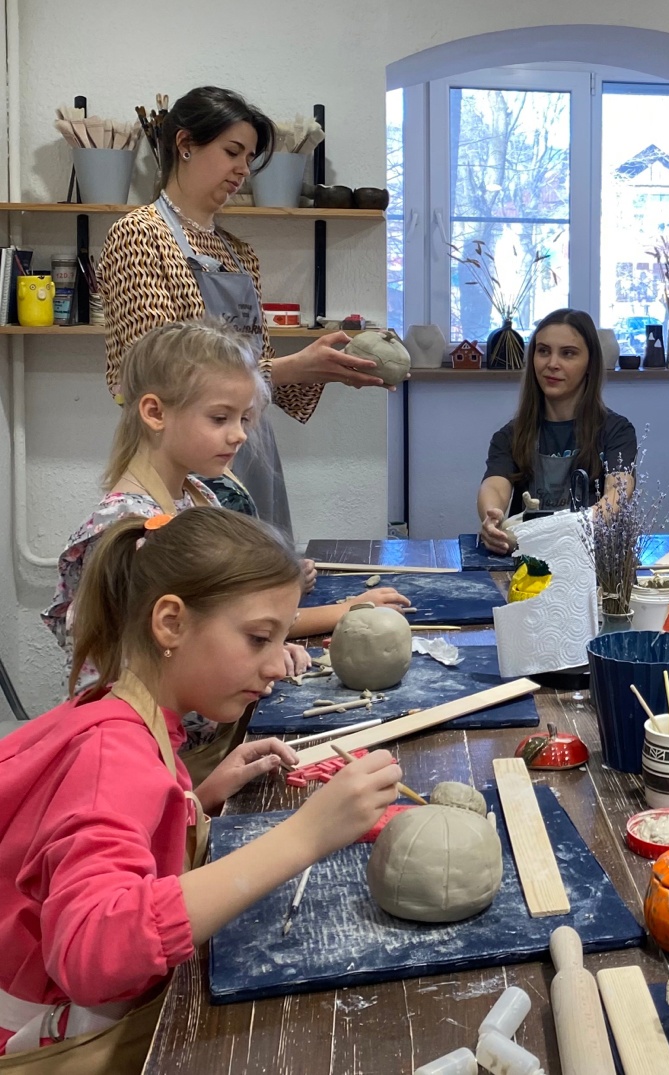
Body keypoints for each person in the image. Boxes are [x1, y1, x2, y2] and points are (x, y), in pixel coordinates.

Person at [0, 508, 404, 1070]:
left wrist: (198, 798)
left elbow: (127, 822)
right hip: (56, 1044)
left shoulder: (129, 710)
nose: (277, 666)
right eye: (258, 638)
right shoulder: (111, 755)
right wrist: (305, 836)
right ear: (171, 623)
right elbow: (93, 951)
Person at [41, 322, 407, 780]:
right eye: (220, 419)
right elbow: (118, 680)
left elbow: (219, 619)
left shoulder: (199, 495)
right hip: (146, 766)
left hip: (200, 755)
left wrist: (265, 649)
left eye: (244, 419)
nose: (238, 435)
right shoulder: (124, 529)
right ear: (154, 412)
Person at [98, 85, 386, 541]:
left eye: (249, 158)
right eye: (232, 152)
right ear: (185, 144)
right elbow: (157, 375)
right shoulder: (139, 236)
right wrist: (293, 366)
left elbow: (265, 375)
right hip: (176, 456)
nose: (243, 170)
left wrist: (327, 366)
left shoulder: (238, 253)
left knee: (257, 572)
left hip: (247, 445)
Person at [477, 309, 637, 553]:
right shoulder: (509, 436)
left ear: (590, 363)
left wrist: (568, 530)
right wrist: (492, 517)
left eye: (568, 353)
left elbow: (619, 491)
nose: (552, 364)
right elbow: (495, 486)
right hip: (528, 563)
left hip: (592, 559)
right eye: (543, 351)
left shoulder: (617, 432)